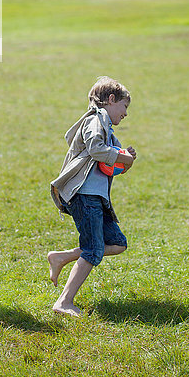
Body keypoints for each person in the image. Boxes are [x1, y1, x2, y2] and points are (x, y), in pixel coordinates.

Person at [48, 76, 137, 316]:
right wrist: (121, 157)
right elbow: (97, 150)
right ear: (110, 100)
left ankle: (61, 257)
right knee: (93, 249)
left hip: (97, 198)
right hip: (84, 196)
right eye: (124, 106)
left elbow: (114, 160)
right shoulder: (95, 121)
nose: (125, 114)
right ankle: (63, 302)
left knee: (117, 243)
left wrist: (127, 157)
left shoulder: (107, 127)